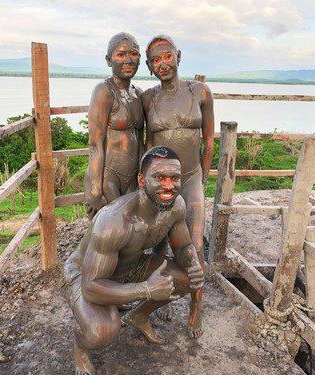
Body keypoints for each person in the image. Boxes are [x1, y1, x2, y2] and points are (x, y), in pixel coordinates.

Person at [63, 146, 205, 375]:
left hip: (132, 265)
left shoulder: (175, 206)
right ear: (141, 179)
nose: (169, 186)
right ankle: (80, 346)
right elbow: (91, 288)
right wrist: (146, 290)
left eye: (175, 178)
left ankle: (138, 315)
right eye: (159, 177)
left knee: (191, 277)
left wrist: (192, 262)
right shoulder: (114, 221)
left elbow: (184, 247)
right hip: (84, 275)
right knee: (102, 332)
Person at [141, 34, 214, 339]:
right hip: (160, 184)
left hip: (192, 176)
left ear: (178, 56)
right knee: (159, 244)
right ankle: (164, 297)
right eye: (155, 61)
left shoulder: (200, 92)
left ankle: (195, 309)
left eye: (167, 57)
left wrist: (202, 176)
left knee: (193, 247)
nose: (162, 64)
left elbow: (209, 139)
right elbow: (147, 142)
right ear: (149, 66)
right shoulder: (147, 98)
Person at [84, 32, 144, 221]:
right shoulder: (104, 91)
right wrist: (95, 189)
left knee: (132, 235)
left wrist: (143, 175)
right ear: (109, 60)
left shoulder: (139, 94)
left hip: (133, 177)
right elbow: (95, 143)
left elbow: (141, 141)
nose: (128, 60)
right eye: (121, 55)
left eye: (133, 54)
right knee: (111, 233)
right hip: (108, 176)